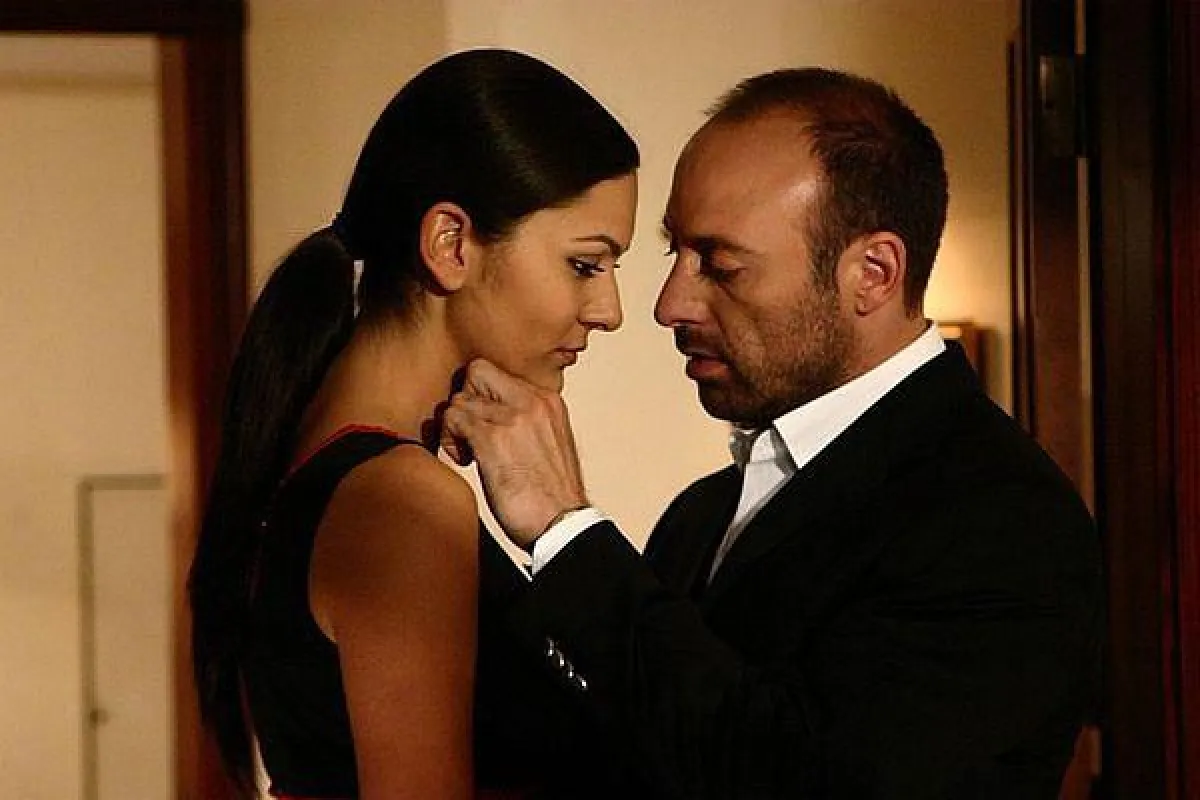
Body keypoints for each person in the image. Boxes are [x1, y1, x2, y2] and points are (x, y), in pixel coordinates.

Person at [445, 67, 1102, 798]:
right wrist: (434, 512)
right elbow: (608, 752)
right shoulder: (703, 513)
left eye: (721, 266)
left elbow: (798, 781)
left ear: (873, 273)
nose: (668, 305)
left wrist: (565, 530)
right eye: (675, 254)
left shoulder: (1005, 520)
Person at [187, 48, 638, 799]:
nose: (610, 311)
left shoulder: (329, 463)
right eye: (585, 265)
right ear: (450, 244)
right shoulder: (403, 501)